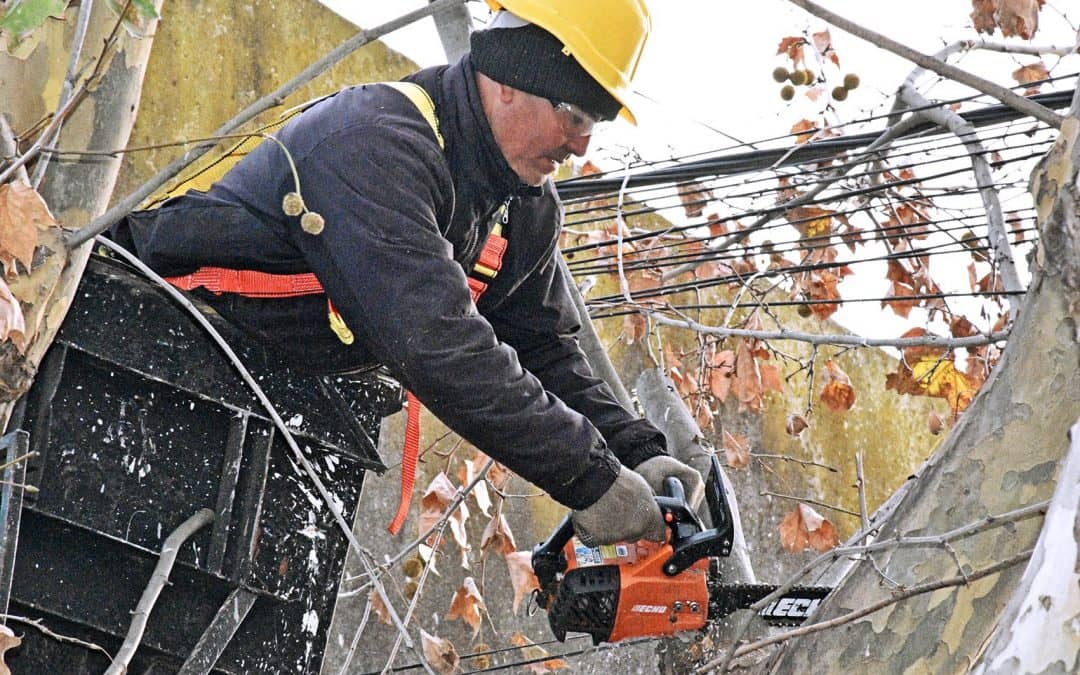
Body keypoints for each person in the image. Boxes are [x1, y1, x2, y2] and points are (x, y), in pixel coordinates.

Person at [112, 0, 703, 546]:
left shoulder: (524, 204)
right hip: (138, 354)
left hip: (272, 401)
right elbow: (435, 341)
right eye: (574, 115)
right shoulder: (374, 143)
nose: (581, 144)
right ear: (508, 82)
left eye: (595, 121)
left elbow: (543, 346)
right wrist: (588, 476)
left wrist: (633, 451)